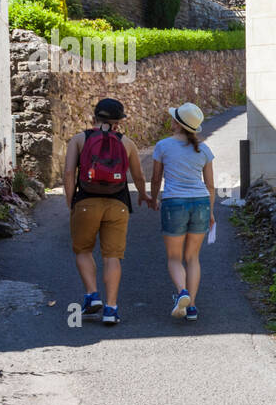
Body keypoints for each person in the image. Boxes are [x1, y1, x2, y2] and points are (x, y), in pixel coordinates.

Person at [64, 98, 152, 326]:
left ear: (94, 118)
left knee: (83, 250)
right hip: (118, 204)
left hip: (86, 202)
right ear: (119, 122)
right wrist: (143, 194)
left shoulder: (79, 140)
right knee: (112, 256)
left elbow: (68, 174)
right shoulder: (127, 144)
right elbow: (139, 176)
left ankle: (92, 295)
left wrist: (70, 200)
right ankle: (111, 308)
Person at [150, 103, 216, 322]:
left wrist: (153, 198)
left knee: (174, 257)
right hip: (201, 203)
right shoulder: (204, 150)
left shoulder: (163, 146)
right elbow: (210, 186)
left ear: (177, 124)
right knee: (193, 257)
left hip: (174, 203)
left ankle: (182, 292)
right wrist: (212, 213)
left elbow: (156, 178)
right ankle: (193, 307)